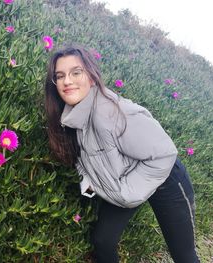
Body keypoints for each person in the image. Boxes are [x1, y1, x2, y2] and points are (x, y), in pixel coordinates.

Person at [44, 44, 200, 263]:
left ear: (91, 75)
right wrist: (89, 184)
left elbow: (164, 153)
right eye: (60, 76)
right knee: (103, 241)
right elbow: (83, 158)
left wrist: (126, 192)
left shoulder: (109, 113)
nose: (67, 81)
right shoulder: (72, 116)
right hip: (126, 179)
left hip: (165, 178)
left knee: (183, 255)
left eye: (75, 72)